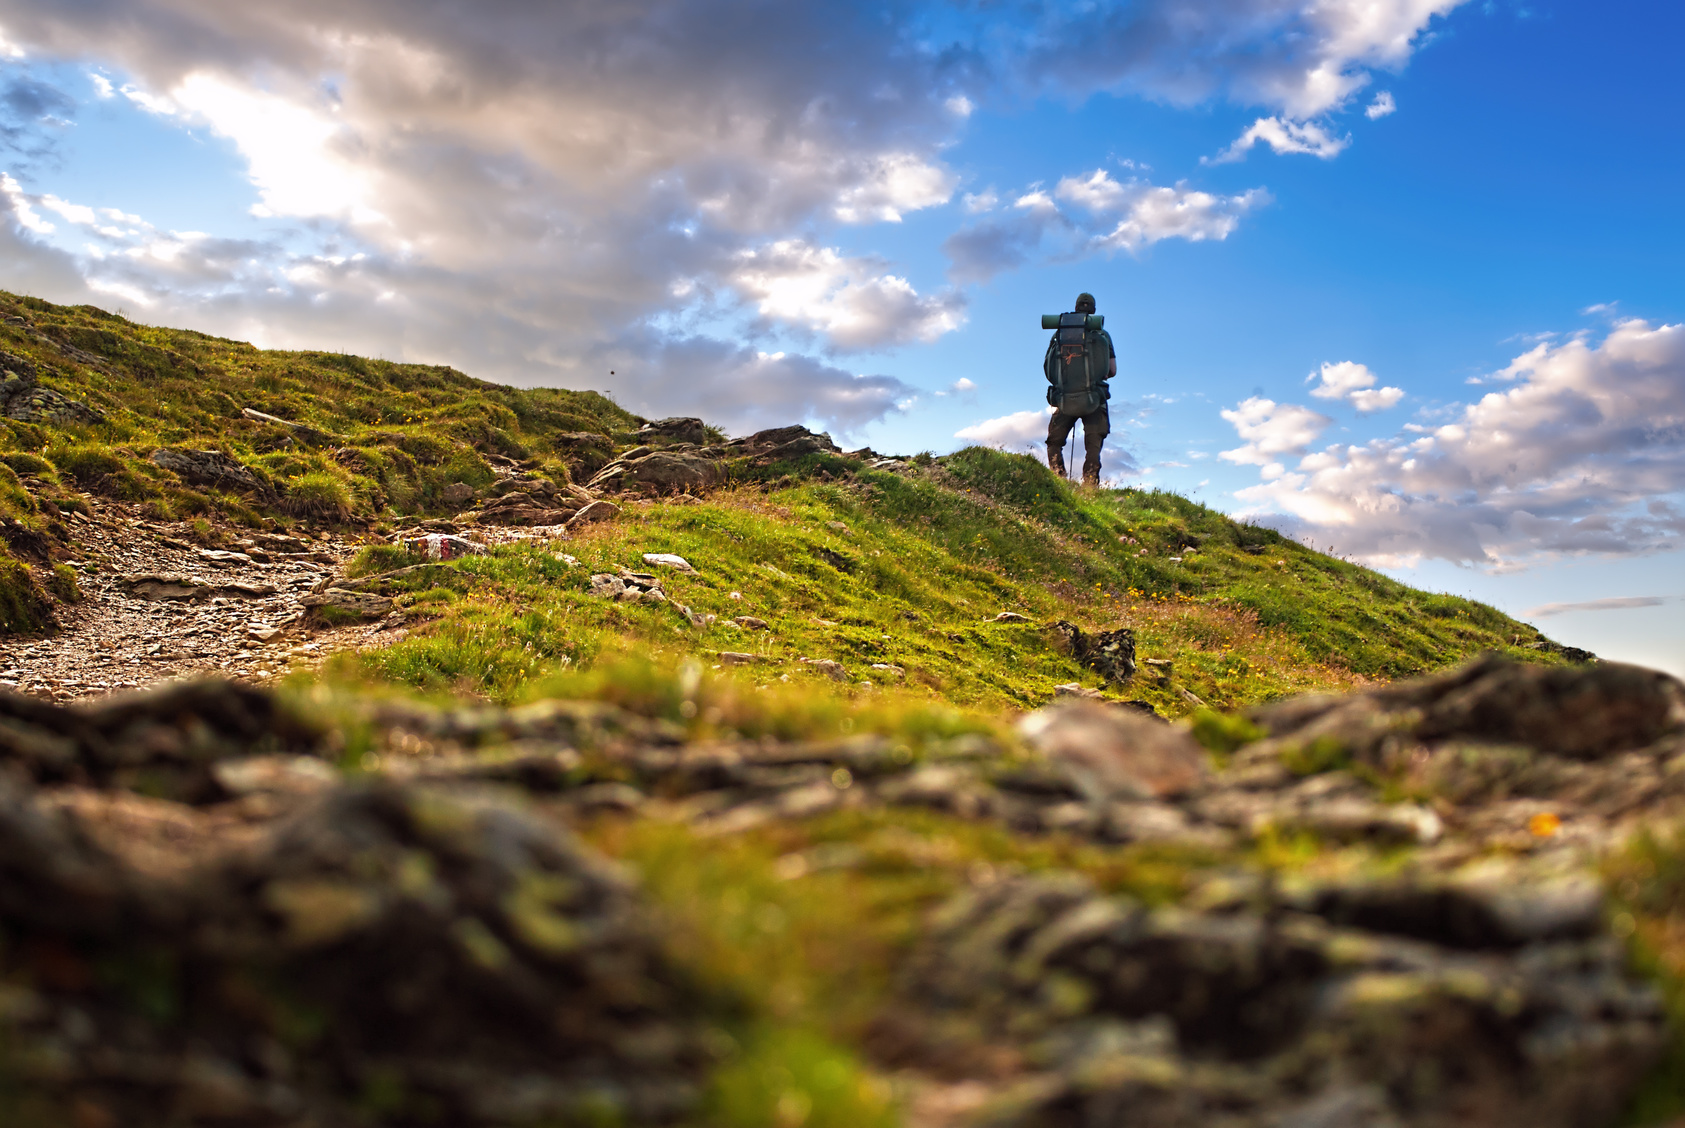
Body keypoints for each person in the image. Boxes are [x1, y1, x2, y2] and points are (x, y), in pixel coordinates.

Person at [1044, 292, 1115, 486]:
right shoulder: (1102, 335)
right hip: (1094, 398)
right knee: (1093, 445)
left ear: (1075, 308)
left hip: (1064, 398)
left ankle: (1059, 481)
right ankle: (1090, 486)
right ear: (1093, 311)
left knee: (1054, 442)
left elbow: (1048, 368)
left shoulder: (1060, 334)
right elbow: (1112, 370)